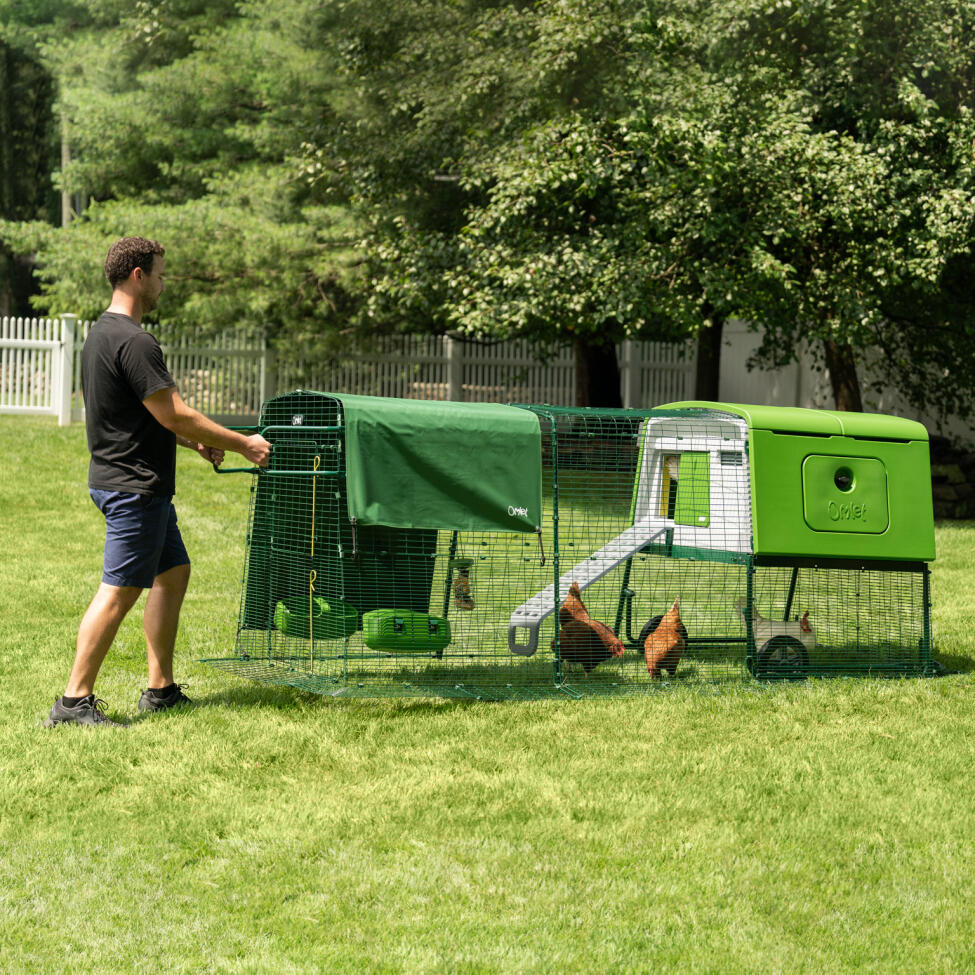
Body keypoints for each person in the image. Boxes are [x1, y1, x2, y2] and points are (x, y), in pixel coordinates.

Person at [44, 236, 272, 727]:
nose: (165, 284)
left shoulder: (101, 334)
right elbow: (174, 411)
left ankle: (160, 689)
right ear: (138, 276)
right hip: (133, 487)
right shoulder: (135, 340)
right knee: (119, 591)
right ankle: (72, 702)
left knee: (173, 574)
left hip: (125, 479)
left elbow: (141, 415)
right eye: (162, 275)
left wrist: (194, 444)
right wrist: (242, 443)